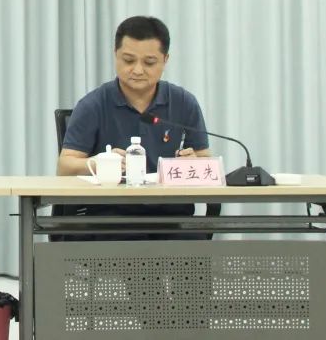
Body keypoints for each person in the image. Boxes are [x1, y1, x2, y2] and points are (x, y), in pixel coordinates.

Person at [56, 16, 212, 239]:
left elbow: (206, 161)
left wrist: (193, 163)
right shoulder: (93, 104)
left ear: (165, 60)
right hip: (110, 216)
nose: (137, 70)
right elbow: (65, 167)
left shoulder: (183, 102)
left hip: (172, 215)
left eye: (149, 63)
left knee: (194, 246)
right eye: (129, 60)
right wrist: (99, 163)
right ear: (115, 55)